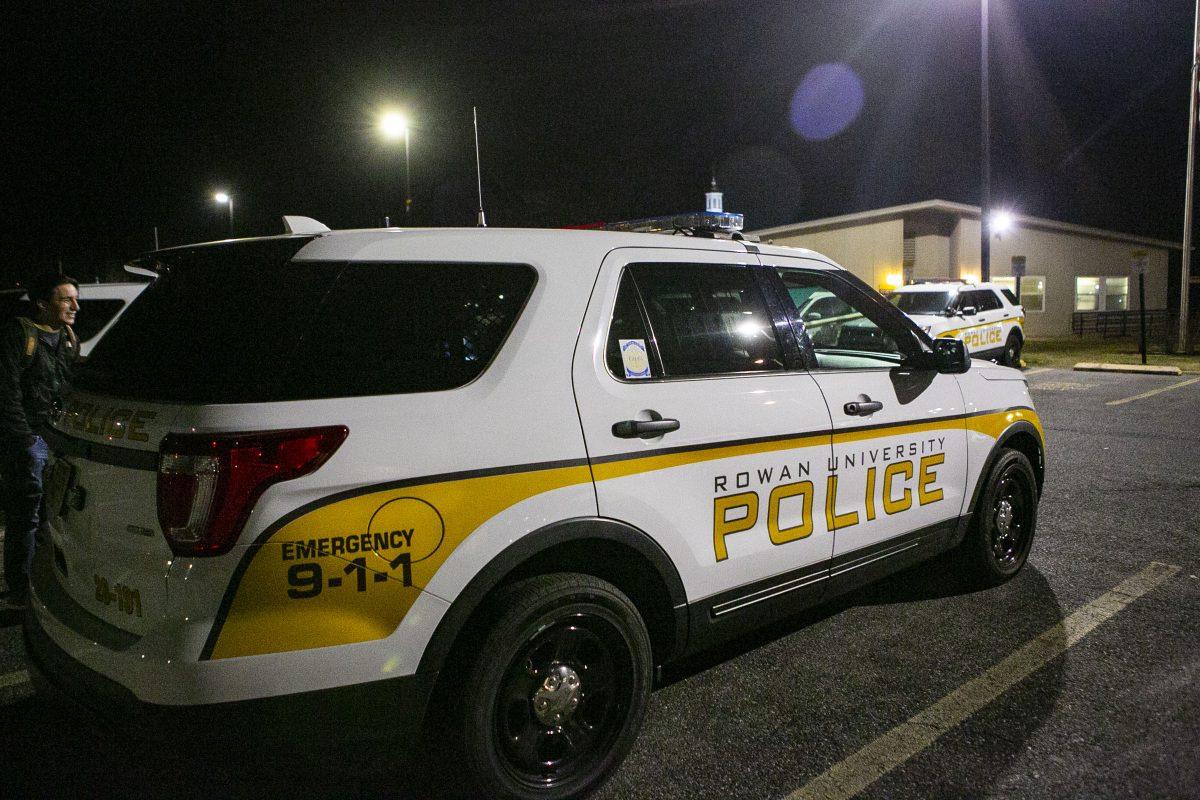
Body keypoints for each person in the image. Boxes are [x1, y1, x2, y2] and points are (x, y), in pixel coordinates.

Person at [0, 274, 79, 610]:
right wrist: (25, 439)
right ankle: (20, 590)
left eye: (75, 299)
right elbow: (6, 391)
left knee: (54, 515)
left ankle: (44, 583)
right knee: (26, 516)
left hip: (56, 438)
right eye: (66, 300)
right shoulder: (20, 334)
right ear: (43, 304)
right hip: (28, 441)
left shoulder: (67, 338)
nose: (75, 306)